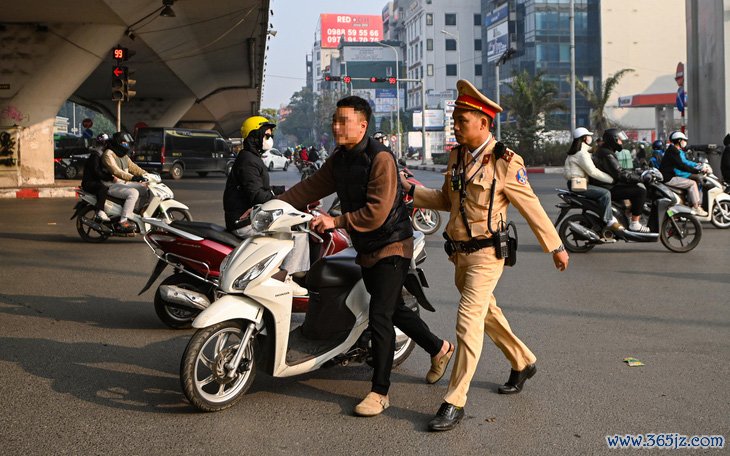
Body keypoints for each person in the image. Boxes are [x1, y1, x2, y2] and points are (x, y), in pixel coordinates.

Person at [402, 80, 569, 432]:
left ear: (484, 123)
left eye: (462, 120)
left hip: (487, 256)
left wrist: (555, 246)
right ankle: (522, 361)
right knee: (487, 313)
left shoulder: (506, 162)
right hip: (459, 256)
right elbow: (447, 201)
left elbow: (532, 207)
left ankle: (454, 400)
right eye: (455, 119)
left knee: (467, 321)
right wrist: (410, 191)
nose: (455, 125)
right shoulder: (457, 157)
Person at [276, 95, 453, 418]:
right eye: (335, 120)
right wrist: (272, 206)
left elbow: (377, 212)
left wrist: (336, 221)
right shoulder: (340, 158)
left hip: (393, 246)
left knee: (380, 315)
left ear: (363, 124)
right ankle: (439, 347)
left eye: (344, 121)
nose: (337, 126)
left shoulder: (380, 158)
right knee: (395, 310)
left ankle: (380, 391)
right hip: (368, 247)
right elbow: (312, 186)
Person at [223, 116, 307, 295]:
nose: (269, 139)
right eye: (266, 135)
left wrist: (285, 190)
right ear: (255, 136)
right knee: (295, 233)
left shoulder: (250, 158)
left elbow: (261, 188)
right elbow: (257, 195)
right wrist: (286, 201)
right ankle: (286, 277)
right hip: (244, 221)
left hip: (249, 216)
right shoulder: (248, 161)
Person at [563, 127, 622, 230]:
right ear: (584, 138)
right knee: (605, 193)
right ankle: (609, 221)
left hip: (576, 183)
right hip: (578, 184)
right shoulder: (581, 153)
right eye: (589, 136)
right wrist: (611, 179)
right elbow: (593, 172)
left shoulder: (581, 151)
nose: (591, 137)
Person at [593, 129, 650, 232]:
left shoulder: (606, 151)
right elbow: (619, 173)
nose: (621, 142)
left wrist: (636, 172)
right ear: (613, 140)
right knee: (640, 191)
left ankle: (627, 217)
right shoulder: (607, 154)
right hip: (607, 187)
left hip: (607, 184)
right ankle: (635, 223)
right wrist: (640, 178)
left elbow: (618, 170)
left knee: (634, 187)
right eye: (619, 140)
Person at [102, 132, 148, 234]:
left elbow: (133, 167)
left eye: (127, 143)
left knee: (146, 188)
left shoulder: (123, 155)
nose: (126, 145)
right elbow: (116, 171)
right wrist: (132, 177)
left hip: (123, 183)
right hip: (111, 185)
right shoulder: (108, 154)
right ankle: (123, 221)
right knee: (133, 193)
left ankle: (140, 212)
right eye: (123, 142)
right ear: (118, 142)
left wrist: (146, 174)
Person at [659, 131, 708, 216]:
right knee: (692, 183)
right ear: (679, 141)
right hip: (669, 178)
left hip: (668, 176)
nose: (685, 142)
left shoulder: (672, 150)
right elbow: (681, 165)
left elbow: (683, 164)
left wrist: (695, 167)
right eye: (684, 140)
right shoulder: (673, 151)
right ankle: (696, 207)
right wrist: (696, 171)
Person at [81, 133, 112, 222]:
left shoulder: (100, 154)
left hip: (95, 180)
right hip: (89, 183)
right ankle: (100, 211)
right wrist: (109, 177)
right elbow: (97, 172)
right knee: (103, 188)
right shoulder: (96, 155)